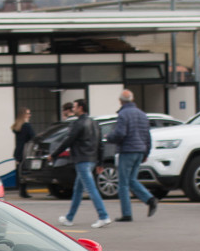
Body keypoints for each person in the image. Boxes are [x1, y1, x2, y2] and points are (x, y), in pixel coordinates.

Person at [57, 99, 111, 229]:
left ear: (80, 108)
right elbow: (100, 144)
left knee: (91, 189)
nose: (73, 109)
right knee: (78, 190)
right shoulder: (94, 123)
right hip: (91, 160)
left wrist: (54, 154)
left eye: (74, 107)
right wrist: (100, 162)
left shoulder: (78, 123)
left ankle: (103, 216)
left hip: (82, 160)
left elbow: (69, 140)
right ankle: (69, 218)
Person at [106, 89, 158, 221]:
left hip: (128, 150)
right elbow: (147, 136)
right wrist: (146, 152)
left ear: (120, 101)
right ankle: (149, 199)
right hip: (140, 150)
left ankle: (127, 214)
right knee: (132, 180)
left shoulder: (123, 114)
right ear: (132, 99)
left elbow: (120, 133)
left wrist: (109, 137)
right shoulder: (142, 114)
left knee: (123, 183)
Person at [12, 107, 35, 198]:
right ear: (24, 115)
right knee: (25, 170)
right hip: (25, 151)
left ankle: (22, 190)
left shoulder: (17, 126)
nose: (30, 115)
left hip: (18, 151)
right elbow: (33, 137)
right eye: (28, 113)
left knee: (20, 170)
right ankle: (24, 191)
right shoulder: (26, 126)